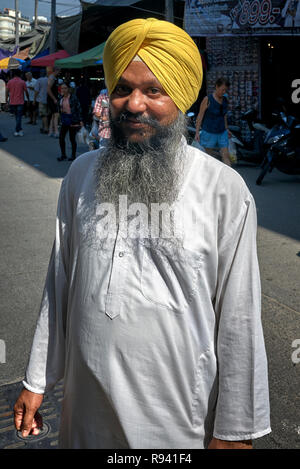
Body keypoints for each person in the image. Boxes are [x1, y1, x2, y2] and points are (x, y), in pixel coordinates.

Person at [13, 18, 271, 449]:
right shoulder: (81, 174)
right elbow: (58, 284)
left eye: (153, 90)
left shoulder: (222, 190)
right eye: (122, 89)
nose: (133, 105)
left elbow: (239, 316)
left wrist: (235, 431)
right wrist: (37, 378)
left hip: (177, 421)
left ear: (182, 95)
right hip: (87, 412)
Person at [194, 77, 232, 166]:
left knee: (226, 155)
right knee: (209, 157)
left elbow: (224, 115)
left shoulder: (225, 100)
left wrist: (227, 129)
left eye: (225, 90)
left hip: (222, 131)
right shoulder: (207, 99)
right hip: (209, 132)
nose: (224, 92)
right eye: (222, 90)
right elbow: (200, 115)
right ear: (216, 87)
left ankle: (228, 178)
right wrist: (197, 132)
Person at [57, 82, 83, 162]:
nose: (63, 90)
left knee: (72, 138)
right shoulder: (60, 97)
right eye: (62, 88)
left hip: (73, 120)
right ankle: (63, 155)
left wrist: (81, 120)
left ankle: (73, 155)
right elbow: (59, 109)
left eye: (65, 88)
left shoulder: (73, 98)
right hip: (64, 120)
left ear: (68, 89)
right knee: (61, 138)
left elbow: (79, 109)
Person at [6, 69, 29, 137]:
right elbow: (26, 91)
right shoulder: (22, 82)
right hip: (20, 101)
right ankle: (18, 130)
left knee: (17, 116)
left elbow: (7, 92)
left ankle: (19, 130)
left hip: (12, 101)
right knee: (19, 116)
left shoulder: (10, 82)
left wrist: (6, 100)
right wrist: (27, 99)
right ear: (20, 74)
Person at [34, 69, 49, 134]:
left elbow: (36, 91)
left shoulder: (39, 80)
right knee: (47, 114)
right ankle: (43, 127)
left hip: (41, 99)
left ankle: (46, 128)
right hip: (49, 99)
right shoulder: (49, 79)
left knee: (43, 115)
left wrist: (34, 100)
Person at [47, 67, 60, 138]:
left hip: (52, 99)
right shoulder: (52, 78)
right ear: (56, 70)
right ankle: (56, 131)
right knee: (56, 114)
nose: (60, 72)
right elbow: (48, 89)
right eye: (59, 70)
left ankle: (51, 131)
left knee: (53, 115)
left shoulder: (53, 77)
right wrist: (54, 99)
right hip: (52, 99)